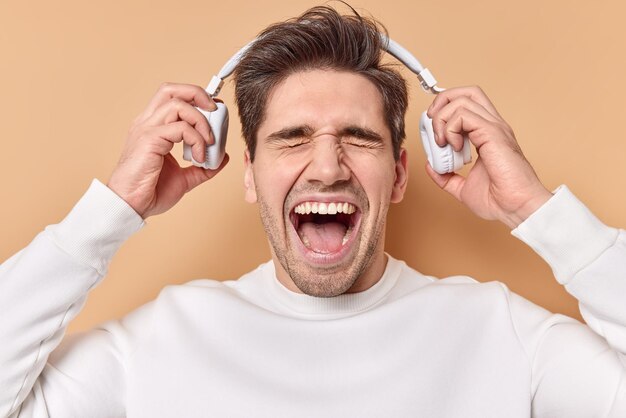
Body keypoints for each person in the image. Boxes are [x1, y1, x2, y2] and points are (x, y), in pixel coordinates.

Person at [1, 5, 625, 418]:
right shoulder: (155, 343)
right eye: (292, 138)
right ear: (248, 174)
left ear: (401, 174)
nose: (327, 167)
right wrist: (113, 209)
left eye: (358, 138)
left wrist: (537, 212)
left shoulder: (501, 332)